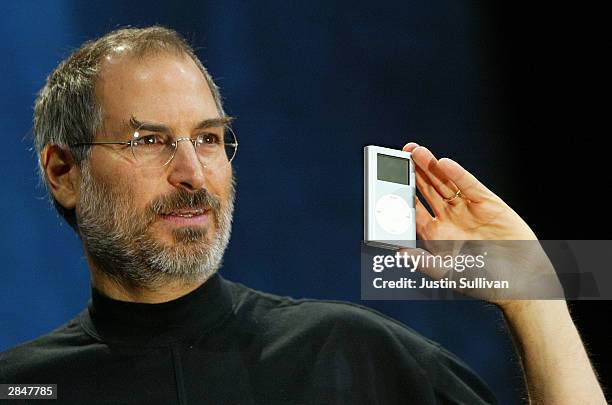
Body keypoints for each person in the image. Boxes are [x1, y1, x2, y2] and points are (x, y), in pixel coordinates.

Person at [0, 26, 606, 405]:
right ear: (63, 172)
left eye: (209, 140)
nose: (193, 175)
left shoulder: (355, 355)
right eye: (150, 141)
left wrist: (533, 293)